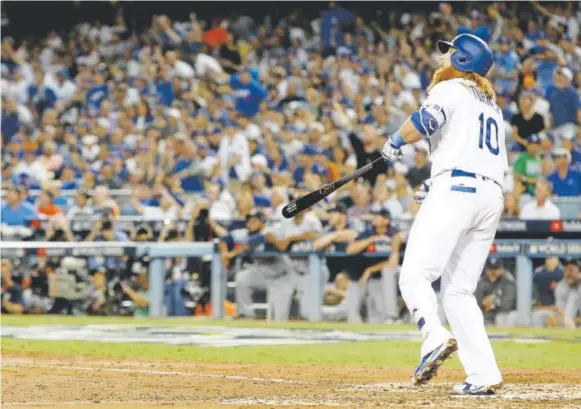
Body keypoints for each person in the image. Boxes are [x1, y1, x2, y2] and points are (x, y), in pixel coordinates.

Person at [380, 34, 506, 394]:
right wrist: (438, 183)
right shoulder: (491, 106)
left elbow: (425, 122)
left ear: (462, 61)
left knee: (415, 274)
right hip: (489, 195)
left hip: (459, 190)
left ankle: (433, 336)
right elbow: (477, 157)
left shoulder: (450, 89)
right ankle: (483, 375)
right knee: (458, 291)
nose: (443, 58)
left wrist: (395, 140)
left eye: (449, 52)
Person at [345, 208, 402, 323]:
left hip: (391, 277)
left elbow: (393, 262)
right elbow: (350, 249)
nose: (374, 219)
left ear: (386, 220)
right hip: (370, 277)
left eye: (378, 216)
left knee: (387, 272)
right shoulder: (369, 232)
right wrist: (372, 239)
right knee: (372, 316)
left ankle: (394, 316)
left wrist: (370, 270)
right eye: (374, 216)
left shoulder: (394, 233)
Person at [474, 259, 517, 327]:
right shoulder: (481, 283)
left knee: (501, 317)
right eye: (490, 269)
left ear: (502, 269)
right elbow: (476, 303)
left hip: (504, 314)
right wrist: (484, 303)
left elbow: (507, 306)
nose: (493, 271)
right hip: (486, 314)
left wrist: (493, 301)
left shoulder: (508, 282)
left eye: (496, 269)